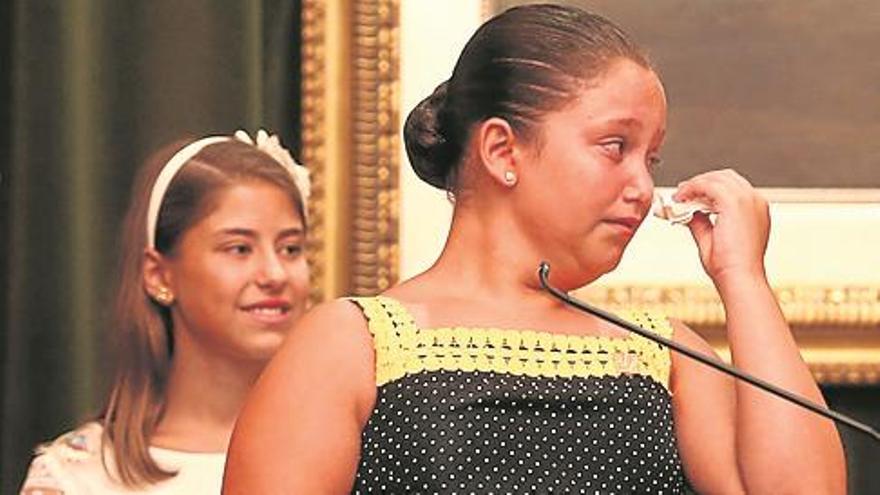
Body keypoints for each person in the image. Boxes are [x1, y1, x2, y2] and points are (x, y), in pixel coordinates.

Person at [224, 4, 846, 494]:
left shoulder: (667, 356)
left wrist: (742, 276)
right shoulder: (351, 345)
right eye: (613, 146)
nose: (641, 185)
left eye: (650, 158)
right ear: (502, 150)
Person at [20, 130, 311, 494]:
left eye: (290, 248)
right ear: (159, 276)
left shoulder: (345, 449)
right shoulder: (78, 476)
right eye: (239, 248)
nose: (275, 274)